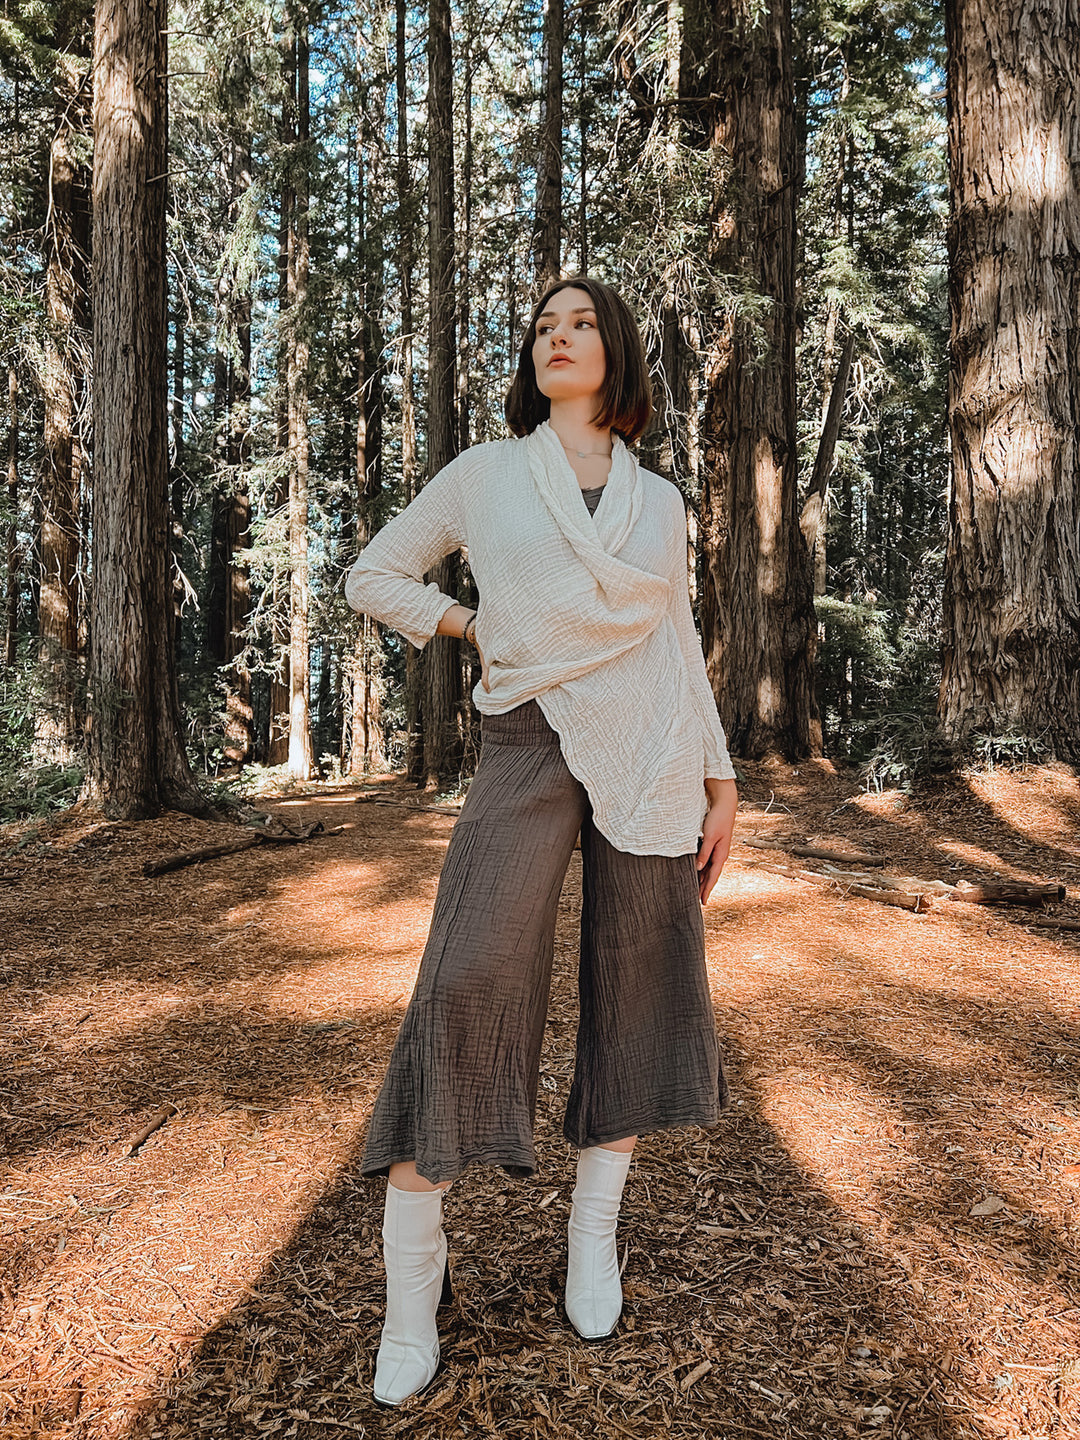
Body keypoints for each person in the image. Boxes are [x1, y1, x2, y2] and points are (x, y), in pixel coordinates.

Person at [345, 275, 738, 1407]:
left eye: (579, 324)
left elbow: (678, 637)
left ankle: (591, 1240)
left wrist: (720, 777)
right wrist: (469, 622)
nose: (557, 338)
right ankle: (413, 1290)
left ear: (614, 351)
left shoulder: (661, 502)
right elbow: (374, 574)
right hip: (524, 742)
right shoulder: (485, 473)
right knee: (467, 977)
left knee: (641, 978)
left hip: (655, 747)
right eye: (542, 328)